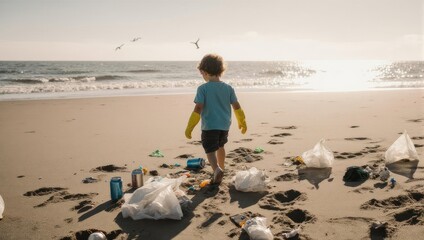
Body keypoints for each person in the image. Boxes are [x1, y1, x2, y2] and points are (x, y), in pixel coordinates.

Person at [185, 54, 247, 184]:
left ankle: (216, 170)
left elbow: (198, 108)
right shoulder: (228, 88)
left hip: (209, 125)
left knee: (210, 150)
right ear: (221, 71)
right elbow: (236, 106)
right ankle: (222, 167)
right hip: (224, 125)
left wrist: (190, 127)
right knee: (220, 146)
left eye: (201, 72)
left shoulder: (203, 89)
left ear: (204, 71)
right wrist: (242, 121)